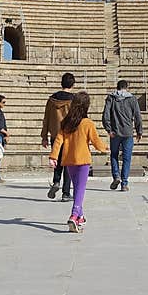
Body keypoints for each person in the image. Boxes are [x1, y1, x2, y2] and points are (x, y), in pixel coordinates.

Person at [50, 92, 108, 233]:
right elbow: (96, 141)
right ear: (86, 106)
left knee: (76, 188)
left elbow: (58, 141)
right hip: (82, 160)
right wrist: (105, 148)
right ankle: (74, 214)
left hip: (69, 160)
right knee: (80, 188)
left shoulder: (66, 122)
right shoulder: (87, 123)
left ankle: (81, 216)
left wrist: (53, 157)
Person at [102, 80, 143, 192]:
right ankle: (124, 184)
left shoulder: (111, 98)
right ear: (127, 87)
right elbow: (138, 116)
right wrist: (139, 131)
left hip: (114, 133)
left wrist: (108, 129)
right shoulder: (132, 99)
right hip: (128, 133)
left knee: (114, 155)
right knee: (127, 158)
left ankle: (116, 176)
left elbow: (105, 115)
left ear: (117, 87)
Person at [42, 73, 76, 201]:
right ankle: (66, 193)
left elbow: (46, 119)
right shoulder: (73, 100)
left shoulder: (51, 100)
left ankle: (56, 181)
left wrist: (44, 136)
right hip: (69, 135)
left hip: (55, 135)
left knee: (57, 160)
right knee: (68, 164)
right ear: (73, 84)